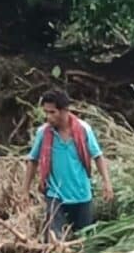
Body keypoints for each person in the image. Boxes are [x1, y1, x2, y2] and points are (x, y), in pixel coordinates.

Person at [24, 90, 114, 239]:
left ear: (65, 110)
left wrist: (107, 183)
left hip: (81, 194)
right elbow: (33, 161)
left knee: (84, 240)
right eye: (46, 112)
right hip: (55, 195)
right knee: (54, 240)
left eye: (52, 112)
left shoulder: (84, 130)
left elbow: (97, 156)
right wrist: (25, 190)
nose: (48, 117)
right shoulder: (44, 133)